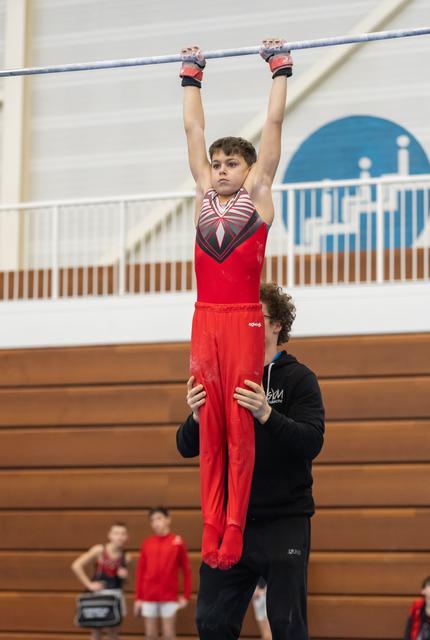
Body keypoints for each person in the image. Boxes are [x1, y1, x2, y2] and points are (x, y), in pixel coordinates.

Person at [180, 39, 292, 570]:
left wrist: (279, 70)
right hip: (204, 318)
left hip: (244, 317)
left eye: (232, 164)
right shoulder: (203, 193)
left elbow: (272, 132)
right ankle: (209, 524)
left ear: (248, 170)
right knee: (210, 423)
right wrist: (191, 77)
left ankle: (233, 524)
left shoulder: (260, 194)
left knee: (239, 420)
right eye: (217, 164)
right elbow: (193, 133)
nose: (222, 170)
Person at [176, 282, 325, 639]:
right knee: (211, 622)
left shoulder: (298, 379)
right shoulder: (222, 375)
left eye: (256, 316)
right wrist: (197, 416)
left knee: (286, 623)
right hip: (232, 521)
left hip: (284, 520)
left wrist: (266, 413)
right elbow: (185, 446)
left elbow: (311, 442)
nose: (247, 324)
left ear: (276, 326)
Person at [134, 507, 192, 640]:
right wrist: (138, 598)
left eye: (159, 518)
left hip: (169, 597)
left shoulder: (178, 542)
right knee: (150, 635)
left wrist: (186, 595)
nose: (155, 523)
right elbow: (140, 572)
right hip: (148, 596)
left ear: (168, 519)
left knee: (169, 634)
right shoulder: (147, 543)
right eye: (152, 520)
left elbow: (186, 571)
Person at [71, 521, 130, 640]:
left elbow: (124, 583)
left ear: (127, 537)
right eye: (116, 533)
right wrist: (89, 584)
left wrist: (124, 577)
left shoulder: (126, 556)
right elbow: (76, 565)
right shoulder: (99, 550)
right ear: (109, 535)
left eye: (122, 534)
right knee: (96, 630)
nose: (119, 537)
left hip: (116, 595)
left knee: (113, 631)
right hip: (99, 595)